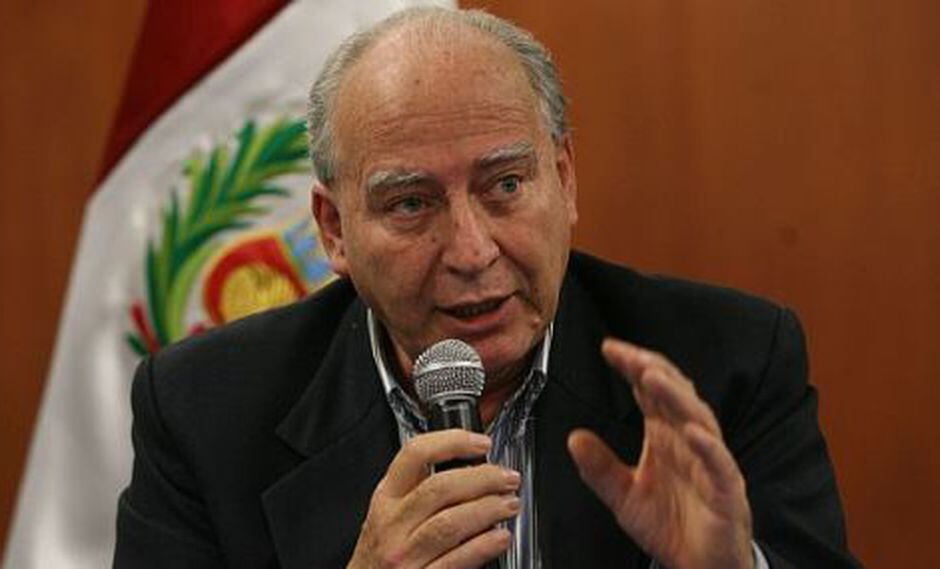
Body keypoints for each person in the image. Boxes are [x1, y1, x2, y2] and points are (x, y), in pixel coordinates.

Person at [114, 7, 861, 569]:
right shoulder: (203, 410)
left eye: (505, 185)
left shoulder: (728, 363)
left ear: (563, 180)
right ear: (333, 229)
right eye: (411, 203)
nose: (472, 252)